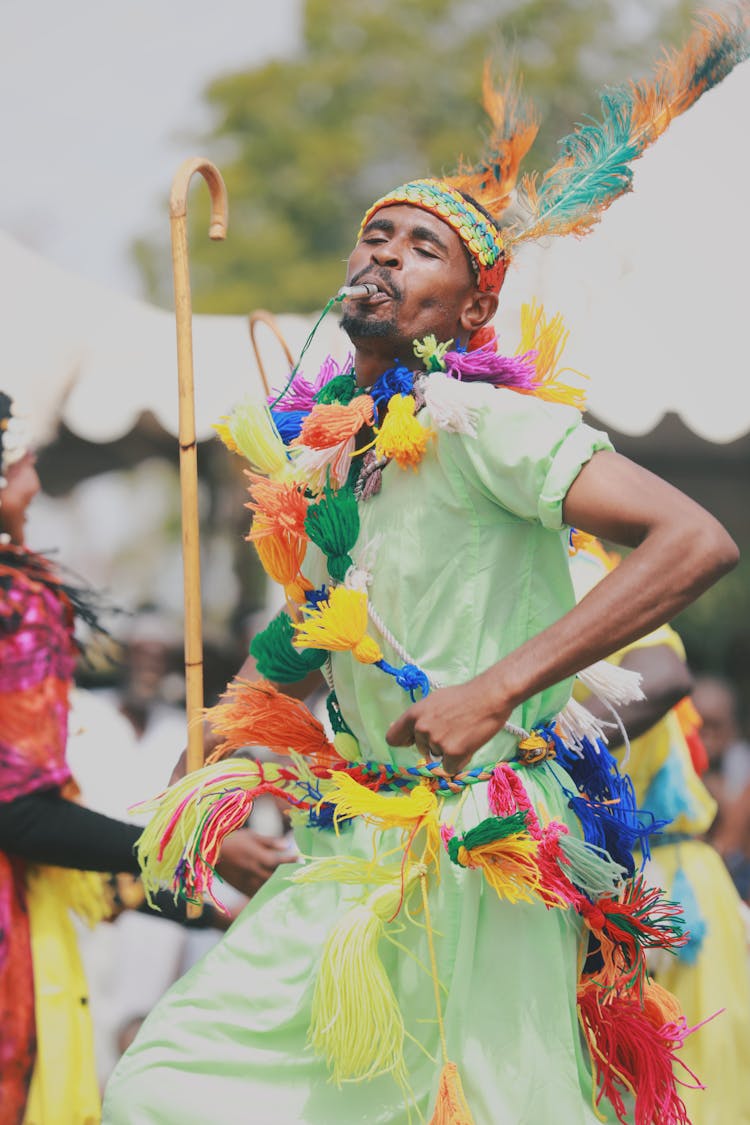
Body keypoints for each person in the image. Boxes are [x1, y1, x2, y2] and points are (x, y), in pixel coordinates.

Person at [104, 19, 746, 1125]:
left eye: (420, 246)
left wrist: (495, 688)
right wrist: (201, 789)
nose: (383, 254)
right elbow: (294, 653)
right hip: (347, 845)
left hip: (485, 847)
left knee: (494, 1109)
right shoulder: (317, 466)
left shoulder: (490, 423)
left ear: (473, 308)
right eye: (373, 236)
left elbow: (697, 540)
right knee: (166, 1087)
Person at [0, 394, 277, 1125]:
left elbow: (56, 853)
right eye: (17, 451)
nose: (28, 464)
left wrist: (202, 901)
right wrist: (192, 850)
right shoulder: (15, 603)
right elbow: (18, 814)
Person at [570, 538, 750, 1125]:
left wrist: (540, 746)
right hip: (604, 890)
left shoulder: (590, 582)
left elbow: (666, 674)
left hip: (667, 890)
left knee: (694, 1093)